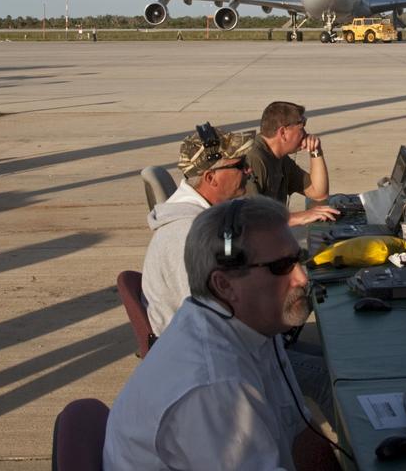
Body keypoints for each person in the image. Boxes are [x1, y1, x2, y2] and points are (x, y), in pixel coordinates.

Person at [104, 197, 338, 470]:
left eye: (298, 260)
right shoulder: (214, 384)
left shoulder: (255, 325)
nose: (302, 278)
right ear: (224, 284)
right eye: (280, 267)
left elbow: (300, 433)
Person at [142, 124, 255, 336]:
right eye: (240, 165)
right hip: (205, 353)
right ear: (211, 178)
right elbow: (208, 317)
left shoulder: (203, 221)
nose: (248, 170)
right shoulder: (188, 236)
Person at [246, 101, 338, 226]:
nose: (305, 134)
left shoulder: (280, 158)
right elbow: (251, 217)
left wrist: (316, 151)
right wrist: (300, 217)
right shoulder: (254, 159)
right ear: (283, 133)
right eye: (301, 129)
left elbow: (318, 193)